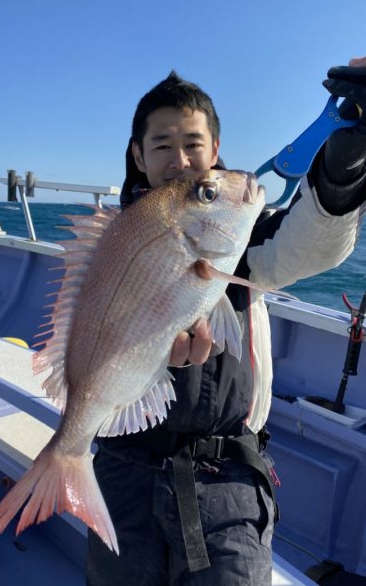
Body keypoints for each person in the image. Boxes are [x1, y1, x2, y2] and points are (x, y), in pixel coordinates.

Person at [86, 58, 366, 586]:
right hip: (123, 468)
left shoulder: (238, 233)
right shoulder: (110, 245)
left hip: (226, 479)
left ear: (215, 151)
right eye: (162, 145)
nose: (180, 158)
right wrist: (144, 354)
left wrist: (342, 168)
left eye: (193, 143)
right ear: (137, 154)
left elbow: (303, 247)